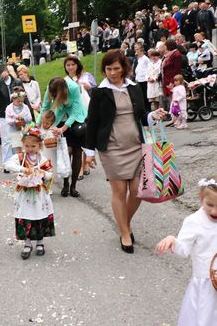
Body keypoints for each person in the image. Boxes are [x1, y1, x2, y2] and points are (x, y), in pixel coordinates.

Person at [85, 49, 166, 254]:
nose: (112, 72)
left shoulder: (134, 88)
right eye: (108, 68)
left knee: (139, 190)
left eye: (116, 68)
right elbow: (92, 122)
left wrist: (153, 115)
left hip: (136, 146)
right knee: (119, 192)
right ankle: (124, 233)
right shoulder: (99, 92)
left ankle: (125, 223)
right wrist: (89, 152)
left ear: (124, 69)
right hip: (112, 148)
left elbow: (141, 115)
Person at [155, 178, 217, 326]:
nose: (215, 211)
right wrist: (174, 241)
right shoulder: (194, 221)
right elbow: (184, 250)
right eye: (210, 205)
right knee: (204, 317)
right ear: (201, 198)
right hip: (206, 284)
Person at [5, 124, 55, 260]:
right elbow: (8, 165)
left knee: (39, 216)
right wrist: (22, 170)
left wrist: (42, 173)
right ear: (23, 145)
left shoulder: (42, 159)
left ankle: (40, 242)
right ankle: (27, 243)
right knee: (26, 216)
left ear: (39, 146)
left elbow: (50, 174)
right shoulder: (20, 158)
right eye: (27, 146)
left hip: (39, 194)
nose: (30, 149)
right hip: (25, 193)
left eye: (33, 146)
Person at [39, 76, 87, 197]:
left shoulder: (74, 88)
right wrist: (37, 125)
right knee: (65, 152)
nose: (54, 97)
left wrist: (63, 129)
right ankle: (66, 183)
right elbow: (44, 107)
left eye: (56, 95)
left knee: (77, 152)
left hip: (76, 120)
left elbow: (75, 112)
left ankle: (73, 186)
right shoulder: (50, 89)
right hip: (59, 119)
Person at [0, 66, 32, 165]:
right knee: (6, 140)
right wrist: (1, 79)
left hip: (18, 113)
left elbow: (23, 96)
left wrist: (29, 110)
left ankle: (17, 161)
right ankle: (7, 163)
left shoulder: (16, 81)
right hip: (3, 114)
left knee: (17, 139)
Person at [4, 87, 32, 154]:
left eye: (22, 101)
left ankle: (26, 162)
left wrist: (23, 119)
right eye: (18, 101)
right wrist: (14, 121)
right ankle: (19, 161)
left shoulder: (25, 107)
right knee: (18, 148)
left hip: (24, 130)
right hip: (14, 130)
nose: (20, 103)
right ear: (13, 100)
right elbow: (7, 119)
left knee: (25, 147)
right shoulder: (9, 108)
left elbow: (30, 118)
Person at [162, 40, 183, 109]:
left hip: (172, 79)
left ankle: (176, 113)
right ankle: (174, 114)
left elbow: (176, 69)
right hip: (167, 78)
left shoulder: (176, 54)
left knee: (175, 98)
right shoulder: (170, 54)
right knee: (171, 98)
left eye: (165, 45)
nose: (164, 47)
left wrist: (172, 81)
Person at [133, 43, 150, 108]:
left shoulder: (145, 59)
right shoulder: (138, 59)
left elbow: (148, 68)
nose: (136, 51)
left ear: (141, 50)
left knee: (145, 95)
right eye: (135, 49)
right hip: (138, 79)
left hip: (144, 80)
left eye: (137, 49)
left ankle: (147, 108)